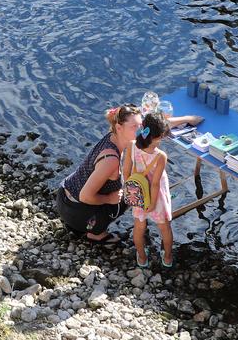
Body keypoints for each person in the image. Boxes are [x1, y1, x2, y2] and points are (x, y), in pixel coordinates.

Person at [54, 105, 141, 244]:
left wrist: (187, 119)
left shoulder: (113, 137)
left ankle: (80, 225)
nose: (139, 130)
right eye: (134, 127)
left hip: (65, 198)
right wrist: (109, 198)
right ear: (119, 127)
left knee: (124, 187)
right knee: (133, 192)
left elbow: (155, 125)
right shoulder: (111, 159)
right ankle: (96, 233)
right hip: (74, 212)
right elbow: (85, 196)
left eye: (140, 125)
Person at [124, 111, 174, 269]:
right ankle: (167, 257)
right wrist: (152, 204)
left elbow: (126, 171)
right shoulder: (160, 156)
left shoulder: (132, 145)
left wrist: (131, 190)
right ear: (159, 137)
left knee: (139, 226)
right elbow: (155, 184)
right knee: (164, 227)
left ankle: (142, 257)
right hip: (155, 197)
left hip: (137, 192)